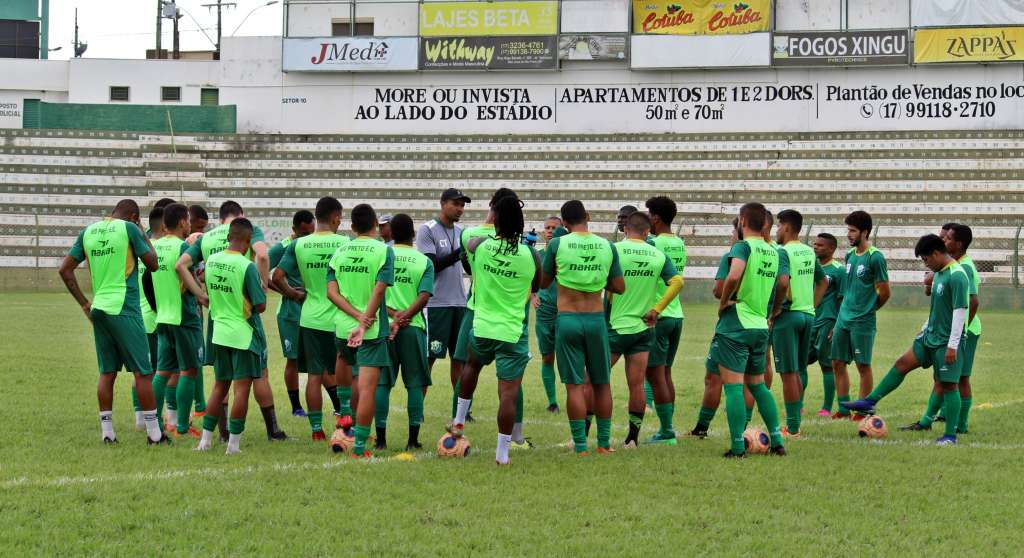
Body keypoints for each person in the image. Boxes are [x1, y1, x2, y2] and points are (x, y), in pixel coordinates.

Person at [841, 234, 968, 446]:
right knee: (902, 364)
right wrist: (925, 328)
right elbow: (939, 308)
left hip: (946, 341)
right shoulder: (939, 274)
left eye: (926, 259)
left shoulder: (957, 275)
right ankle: (870, 401)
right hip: (929, 337)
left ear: (936, 253)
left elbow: (959, 311)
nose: (925, 263)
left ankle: (950, 436)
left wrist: (953, 345)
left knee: (949, 386)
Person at [58, 199, 167, 445]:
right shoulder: (129, 229)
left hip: (99, 307)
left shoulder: (88, 232)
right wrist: (141, 233)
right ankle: (155, 434)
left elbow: (65, 270)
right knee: (142, 373)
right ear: (133, 217)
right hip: (124, 308)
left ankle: (107, 433)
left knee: (107, 373)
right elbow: (154, 264)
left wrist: (85, 304)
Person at [176, 200, 286, 441]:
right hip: (243, 317)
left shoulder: (207, 239)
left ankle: (222, 433)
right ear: (240, 217)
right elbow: (264, 255)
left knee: (220, 380)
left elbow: (181, 265)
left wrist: (200, 294)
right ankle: (273, 430)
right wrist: (262, 287)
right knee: (257, 375)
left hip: (217, 317)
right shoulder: (249, 232)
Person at [450, 196, 541, 465]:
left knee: (471, 367)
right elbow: (536, 286)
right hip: (512, 331)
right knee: (509, 392)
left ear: (495, 220)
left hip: (482, 326)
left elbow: (467, 246)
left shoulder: (479, 245)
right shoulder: (531, 255)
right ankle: (502, 454)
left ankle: (458, 420)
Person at [541, 200, 625, 455]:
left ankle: (580, 445)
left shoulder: (557, 243)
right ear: (587, 216)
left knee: (575, 385)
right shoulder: (606, 245)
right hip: (596, 320)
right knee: (602, 383)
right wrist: (597, 279)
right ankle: (604, 444)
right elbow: (619, 287)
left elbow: (544, 282)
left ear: (564, 224)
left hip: (568, 319)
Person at [272, 198, 350, 440]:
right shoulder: (345, 243)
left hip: (310, 318)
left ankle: (316, 430)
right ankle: (346, 423)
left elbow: (277, 276)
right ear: (336, 217)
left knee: (315, 376)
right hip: (338, 318)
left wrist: (294, 294)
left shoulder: (299, 244)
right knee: (345, 373)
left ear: (317, 218)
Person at [713, 202, 785, 458]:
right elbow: (782, 286)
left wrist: (723, 303)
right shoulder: (773, 251)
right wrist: (772, 312)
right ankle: (777, 441)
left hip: (737, 323)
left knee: (733, 387)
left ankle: (736, 447)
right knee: (757, 385)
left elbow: (733, 277)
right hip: (759, 325)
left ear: (742, 220)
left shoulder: (743, 247)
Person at [194, 218, 269, 454]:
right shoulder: (246, 266)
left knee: (219, 387)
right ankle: (233, 445)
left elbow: (208, 291)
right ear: (248, 242)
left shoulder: (212, 261)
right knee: (242, 389)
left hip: (219, 333)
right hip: (243, 334)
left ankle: (205, 441)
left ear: (228, 237)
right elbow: (260, 305)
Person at [608, 212, 682, 448]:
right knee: (637, 385)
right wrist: (657, 309)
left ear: (625, 228)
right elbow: (678, 282)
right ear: (647, 231)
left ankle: (585, 437)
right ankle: (632, 438)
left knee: (594, 380)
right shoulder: (657, 254)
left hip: (616, 326)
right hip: (643, 326)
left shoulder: (614, 249)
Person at [327, 203, 395, 458]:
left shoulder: (340, 250)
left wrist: (355, 317)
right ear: (376, 223)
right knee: (367, 389)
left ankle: (345, 414)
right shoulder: (383, 251)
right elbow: (379, 289)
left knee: (343, 362)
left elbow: (331, 292)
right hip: (371, 329)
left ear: (352, 226)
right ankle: (358, 448)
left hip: (343, 327)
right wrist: (365, 319)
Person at [902, 224, 981, 434]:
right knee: (944, 379)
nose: (942, 241)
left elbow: (972, 303)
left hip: (964, 331)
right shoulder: (948, 266)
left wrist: (959, 335)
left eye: (947, 238)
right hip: (950, 332)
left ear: (959, 243)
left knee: (960, 379)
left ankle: (959, 425)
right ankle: (928, 421)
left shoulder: (963, 267)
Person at [453, 188, 518, 424]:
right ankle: (515, 435)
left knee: (466, 365)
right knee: (512, 376)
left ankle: (457, 419)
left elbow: (469, 268)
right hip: (509, 312)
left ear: (491, 206)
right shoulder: (516, 243)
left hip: (477, 305)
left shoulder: (470, 234)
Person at [149, 203, 207, 439]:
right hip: (183, 315)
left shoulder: (154, 247)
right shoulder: (183, 247)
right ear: (183, 222)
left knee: (162, 371)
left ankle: (155, 424)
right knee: (189, 370)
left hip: (162, 314)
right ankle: (183, 426)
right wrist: (200, 294)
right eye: (188, 221)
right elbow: (188, 275)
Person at [379, 214, 434, 450]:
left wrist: (393, 315)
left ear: (390, 233)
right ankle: (413, 440)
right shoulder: (423, 261)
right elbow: (424, 295)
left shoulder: (382, 257)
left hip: (384, 328)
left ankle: (380, 440)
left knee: (382, 384)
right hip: (413, 329)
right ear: (413, 234)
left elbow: (376, 292)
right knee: (414, 384)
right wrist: (406, 316)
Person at [770, 210, 827, 438]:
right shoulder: (808, 252)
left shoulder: (783, 252)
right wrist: (812, 305)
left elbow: (783, 283)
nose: (777, 230)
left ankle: (792, 428)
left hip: (788, 316)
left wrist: (775, 310)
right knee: (799, 370)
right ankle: (796, 422)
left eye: (779, 226)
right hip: (807, 316)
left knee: (788, 372)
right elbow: (823, 281)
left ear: (786, 227)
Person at [830, 211, 890, 420]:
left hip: (862, 320)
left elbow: (885, 292)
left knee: (862, 365)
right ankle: (844, 408)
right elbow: (847, 290)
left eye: (853, 230)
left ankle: (863, 408)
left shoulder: (876, 257)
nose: (849, 234)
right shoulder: (849, 256)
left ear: (865, 232)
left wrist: (869, 310)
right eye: (848, 230)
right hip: (843, 318)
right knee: (837, 362)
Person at [416, 189, 469, 416]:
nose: (460, 209)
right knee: (429, 359)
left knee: (460, 360)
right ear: (443, 204)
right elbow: (431, 265)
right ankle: (417, 407)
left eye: (462, 205)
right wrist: (461, 251)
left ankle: (460, 412)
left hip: (460, 303)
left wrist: (467, 256)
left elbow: (466, 267)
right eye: (456, 204)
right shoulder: (427, 230)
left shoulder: (462, 232)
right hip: (437, 305)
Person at [644, 196, 687, 444]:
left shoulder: (652, 243)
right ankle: (667, 427)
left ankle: (667, 430)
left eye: (649, 214)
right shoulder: (679, 243)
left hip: (658, 314)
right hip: (676, 313)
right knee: (665, 373)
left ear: (656, 218)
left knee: (655, 375)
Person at [269, 210, 316, 418]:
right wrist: (290, 293)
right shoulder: (283, 247)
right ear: (294, 229)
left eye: (310, 232)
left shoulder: (313, 245)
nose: (307, 236)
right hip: (290, 312)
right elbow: (261, 272)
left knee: (319, 359)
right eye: (303, 233)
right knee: (293, 359)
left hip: (314, 310)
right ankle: (296, 406)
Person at [809, 233, 845, 417]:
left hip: (827, 320)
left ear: (831, 248)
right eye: (814, 244)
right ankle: (797, 403)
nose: (816, 247)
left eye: (821, 245)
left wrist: (837, 325)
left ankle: (826, 407)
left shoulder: (839, 270)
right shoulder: (809, 266)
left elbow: (843, 299)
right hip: (808, 320)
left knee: (826, 365)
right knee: (799, 363)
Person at [533, 215, 563, 413]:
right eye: (547, 228)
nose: (550, 230)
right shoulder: (536, 255)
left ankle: (577, 396)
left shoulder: (567, 254)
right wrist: (532, 295)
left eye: (554, 227)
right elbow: (526, 278)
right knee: (547, 357)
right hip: (544, 312)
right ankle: (552, 402)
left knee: (569, 358)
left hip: (566, 313)